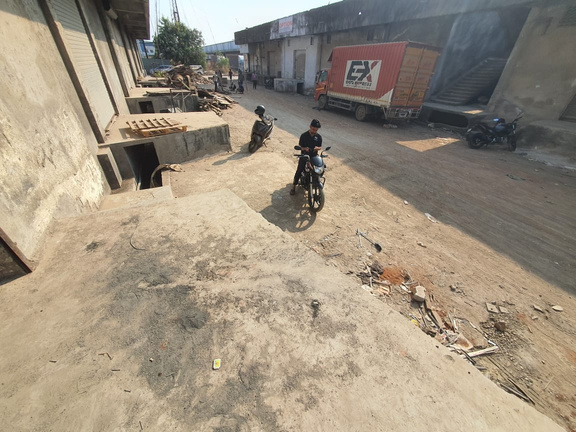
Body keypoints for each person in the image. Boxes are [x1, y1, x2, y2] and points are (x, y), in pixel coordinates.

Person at [290, 119, 322, 195]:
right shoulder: (304, 136)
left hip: (314, 156)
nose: (314, 131)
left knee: (320, 168)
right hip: (304, 156)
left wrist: (317, 148)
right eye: (313, 129)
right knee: (299, 170)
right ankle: (293, 187)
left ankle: (316, 181)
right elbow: (300, 146)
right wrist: (304, 148)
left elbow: (320, 147)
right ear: (310, 126)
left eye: (316, 130)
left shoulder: (318, 137)